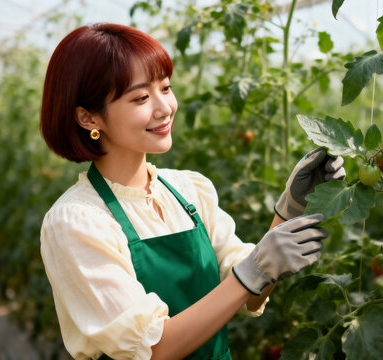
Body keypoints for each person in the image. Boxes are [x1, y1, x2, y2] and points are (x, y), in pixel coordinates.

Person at [39, 23, 345, 360]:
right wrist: (255, 271)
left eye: (166, 88)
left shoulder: (187, 190)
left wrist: (288, 211)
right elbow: (153, 350)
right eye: (141, 97)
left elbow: (250, 293)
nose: (165, 108)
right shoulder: (78, 221)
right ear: (88, 118)